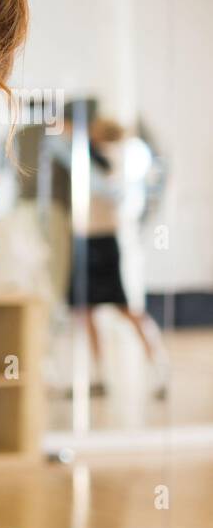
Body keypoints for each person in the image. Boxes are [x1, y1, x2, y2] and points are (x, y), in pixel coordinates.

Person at [60, 117, 168, 395]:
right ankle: (99, 377)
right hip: (90, 239)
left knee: (125, 308)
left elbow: (100, 184)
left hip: (104, 241)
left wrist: (73, 139)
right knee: (86, 310)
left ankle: (158, 370)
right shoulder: (97, 158)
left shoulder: (111, 159)